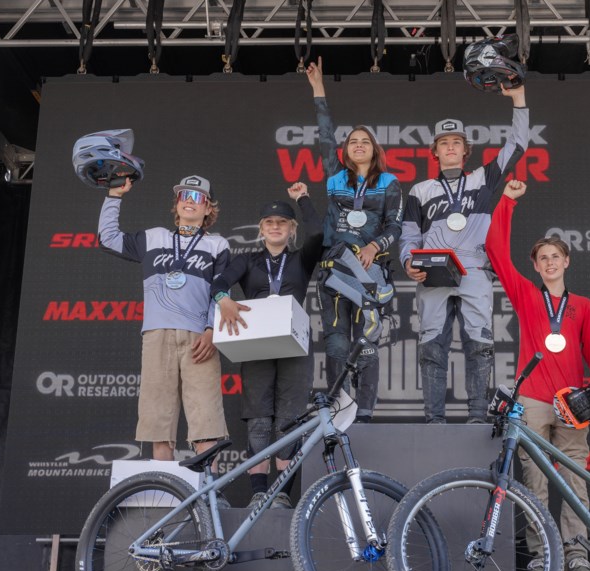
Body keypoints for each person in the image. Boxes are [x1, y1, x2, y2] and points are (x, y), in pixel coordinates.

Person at [487, 180, 590, 571]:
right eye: (543, 257)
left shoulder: (583, 306)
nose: (549, 262)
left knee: (577, 481)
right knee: (535, 482)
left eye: (555, 256)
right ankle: (543, 555)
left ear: (566, 261)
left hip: (574, 403)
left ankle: (577, 555)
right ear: (536, 265)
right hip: (534, 402)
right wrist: (507, 201)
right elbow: (494, 249)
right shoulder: (527, 295)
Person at [399, 84, 530, 424]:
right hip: (434, 271)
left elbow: (516, 145)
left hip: (473, 268)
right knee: (432, 347)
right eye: (444, 143)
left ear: (465, 150)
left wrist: (518, 100)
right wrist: (408, 261)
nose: (451, 147)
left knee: (480, 343)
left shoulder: (483, 179)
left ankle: (476, 416)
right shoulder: (420, 190)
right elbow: (409, 234)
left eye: (456, 142)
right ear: (435, 152)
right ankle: (434, 420)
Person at [99, 175, 231, 461]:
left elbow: (221, 289)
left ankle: (210, 495)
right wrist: (114, 196)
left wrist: (211, 330)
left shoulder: (218, 245)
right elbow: (107, 238)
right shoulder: (154, 237)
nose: (189, 201)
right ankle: (165, 494)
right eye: (184, 196)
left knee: (205, 418)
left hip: (200, 337)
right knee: (158, 419)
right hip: (157, 334)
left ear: (209, 208)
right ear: (176, 204)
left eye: (197, 198)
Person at [211, 182, 324, 509]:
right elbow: (218, 283)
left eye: (282, 223)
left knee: (289, 419)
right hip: (257, 345)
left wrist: (302, 199)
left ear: (291, 230)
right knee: (259, 418)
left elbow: (317, 234)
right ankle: (260, 492)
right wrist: (224, 300)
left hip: (294, 348)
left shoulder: (301, 260)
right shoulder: (247, 260)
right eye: (269, 223)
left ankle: (283, 495)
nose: (276, 227)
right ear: (261, 229)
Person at [305, 57, 403, 423]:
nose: (358, 145)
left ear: (375, 150)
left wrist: (374, 246)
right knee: (336, 343)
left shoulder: (389, 183)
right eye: (353, 142)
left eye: (365, 141)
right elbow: (324, 134)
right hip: (333, 273)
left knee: (366, 346)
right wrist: (319, 90)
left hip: (368, 275)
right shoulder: (335, 177)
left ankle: (365, 416)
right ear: (345, 152)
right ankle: (336, 412)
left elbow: (395, 226)